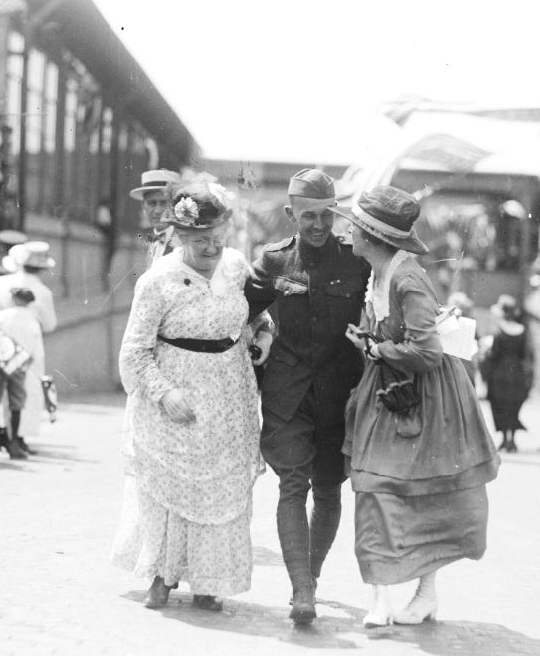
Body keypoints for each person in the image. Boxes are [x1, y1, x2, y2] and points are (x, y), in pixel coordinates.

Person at [337, 185, 499, 627]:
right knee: (378, 493)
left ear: (371, 236)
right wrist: (371, 341)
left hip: (419, 396)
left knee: (413, 495)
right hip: (391, 392)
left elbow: (426, 351)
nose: (347, 231)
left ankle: (423, 595)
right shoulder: (382, 272)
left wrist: (377, 351)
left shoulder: (407, 278)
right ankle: (381, 599)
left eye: (353, 226)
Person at [112, 181, 266, 612]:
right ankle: (162, 576)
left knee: (222, 491)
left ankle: (209, 582)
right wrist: (164, 394)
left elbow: (255, 313)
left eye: (218, 239)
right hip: (177, 399)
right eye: (201, 241)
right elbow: (135, 351)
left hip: (230, 398)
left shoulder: (236, 267)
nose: (212, 248)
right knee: (172, 488)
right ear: (179, 237)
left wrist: (264, 333)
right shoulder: (157, 281)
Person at [242, 168, 370, 625]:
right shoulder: (273, 262)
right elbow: (237, 310)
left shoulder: (358, 262)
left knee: (330, 490)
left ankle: (310, 575)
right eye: (308, 216)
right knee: (293, 485)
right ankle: (302, 590)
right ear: (290, 213)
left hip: (340, 395)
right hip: (288, 394)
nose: (318, 225)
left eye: (326, 215)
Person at [0, 241, 56, 452]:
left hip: (2, 340)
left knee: (0, 386)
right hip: (28, 341)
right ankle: (19, 435)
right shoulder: (42, 291)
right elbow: (50, 324)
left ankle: (0, 430)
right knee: (27, 389)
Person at [0, 286, 42, 459]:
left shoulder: (4, 315)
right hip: (19, 364)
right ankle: (13, 443)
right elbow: (37, 349)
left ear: (14, 298)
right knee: (16, 404)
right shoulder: (33, 320)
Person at [480, 294, 532, 453]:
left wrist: (486, 355)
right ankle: (513, 439)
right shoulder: (522, 331)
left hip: (500, 373)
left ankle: (504, 438)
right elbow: (524, 354)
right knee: (513, 405)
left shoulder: (499, 332)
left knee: (500, 405)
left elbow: (494, 355)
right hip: (516, 373)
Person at [129, 169, 181, 266]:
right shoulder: (149, 242)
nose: (157, 211)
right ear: (143, 206)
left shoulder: (184, 245)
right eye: (152, 203)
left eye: (164, 203)